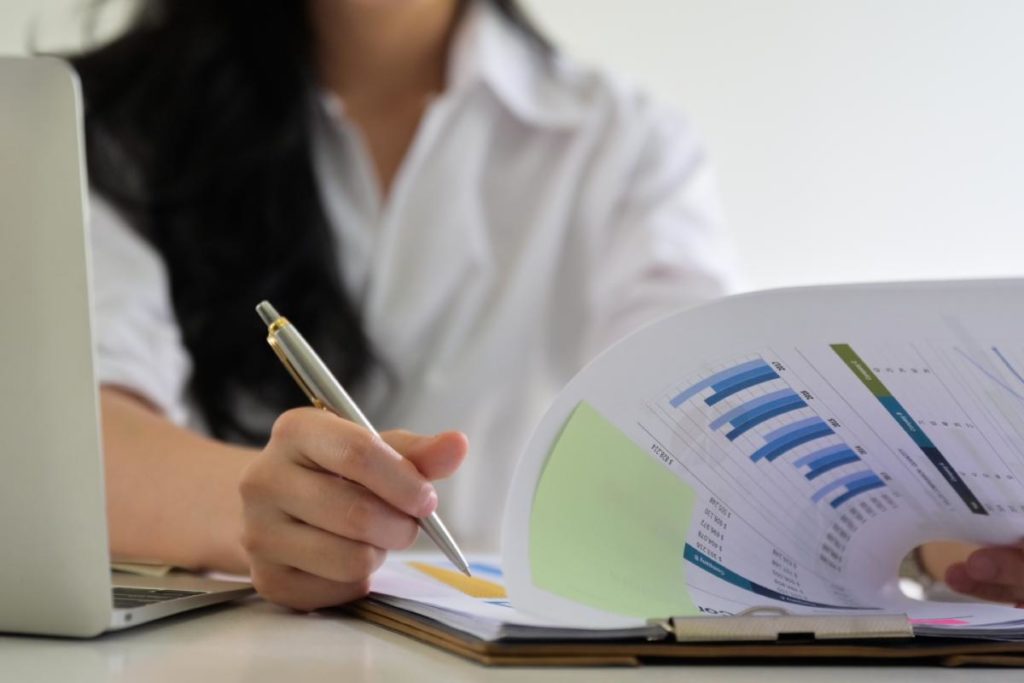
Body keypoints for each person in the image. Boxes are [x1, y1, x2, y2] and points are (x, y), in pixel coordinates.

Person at [74, 0, 1023, 612]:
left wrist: (945, 539)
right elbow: (82, 434)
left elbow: (712, 440)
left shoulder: (621, 146)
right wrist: (267, 511)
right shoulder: (103, 121)